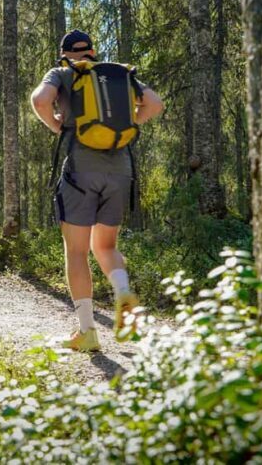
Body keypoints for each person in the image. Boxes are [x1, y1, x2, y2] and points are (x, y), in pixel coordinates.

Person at [30, 30, 164, 351]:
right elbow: (155, 104)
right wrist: (130, 126)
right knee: (105, 246)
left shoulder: (63, 72)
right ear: (92, 51)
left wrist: (57, 125)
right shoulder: (117, 73)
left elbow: (39, 100)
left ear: (65, 53)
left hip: (81, 169)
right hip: (120, 170)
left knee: (77, 251)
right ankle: (123, 294)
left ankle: (87, 331)